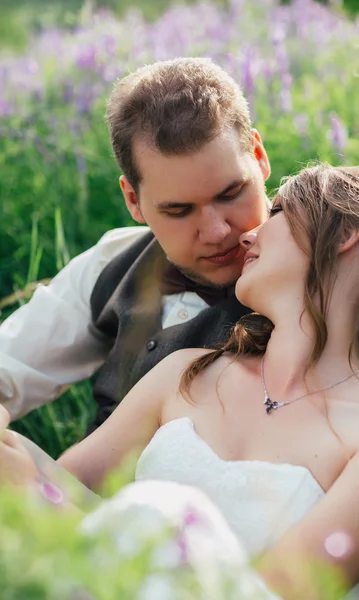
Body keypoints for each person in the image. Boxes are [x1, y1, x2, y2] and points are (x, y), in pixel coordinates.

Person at [2, 163, 359, 600]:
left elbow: (267, 594)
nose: (249, 235)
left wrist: (73, 511)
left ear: (345, 233)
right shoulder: (186, 373)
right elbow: (62, 494)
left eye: (280, 211)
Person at [0, 57, 271, 433]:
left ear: (258, 156)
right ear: (132, 200)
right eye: (178, 210)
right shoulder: (112, 262)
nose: (215, 231)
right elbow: (10, 364)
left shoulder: (328, 263)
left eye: (232, 193)